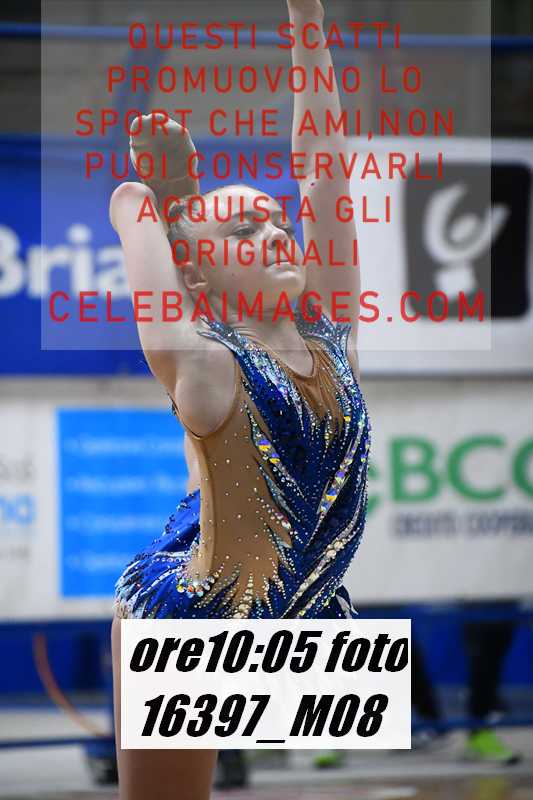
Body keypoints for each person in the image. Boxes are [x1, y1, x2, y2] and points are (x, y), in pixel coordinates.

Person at [110, 1, 370, 798]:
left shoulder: (331, 334)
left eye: (273, 220)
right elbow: (129, 208)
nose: (275, 232)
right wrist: (164, 198)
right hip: (196, 616)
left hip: (308, 609)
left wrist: (307, 19)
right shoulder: (205, 363)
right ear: (197, 272)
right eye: (244, 232)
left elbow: (322, 167)